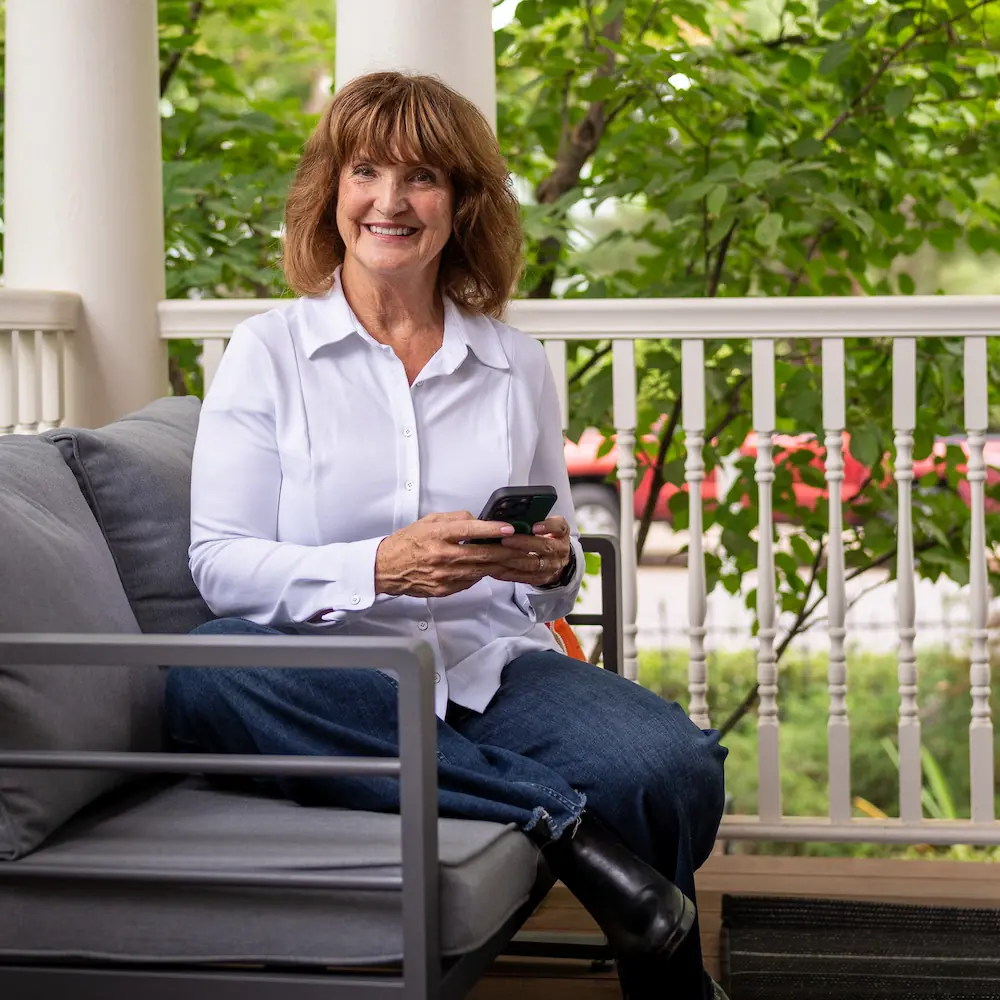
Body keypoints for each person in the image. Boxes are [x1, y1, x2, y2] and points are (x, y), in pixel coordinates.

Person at [164, 71, 727, 1000]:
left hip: (488, 669)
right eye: (365, 171)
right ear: (330, 192)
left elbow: (545, 574)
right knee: (205, 667)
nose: (389, 201)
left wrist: (553, 563)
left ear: (461, 204)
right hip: (333, 676)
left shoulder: (514, 362)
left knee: (669, 764)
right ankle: (578, 837)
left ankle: (663, 984)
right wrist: (381, 566)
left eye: (422, 178)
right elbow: (220, 565)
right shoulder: (267, 353)